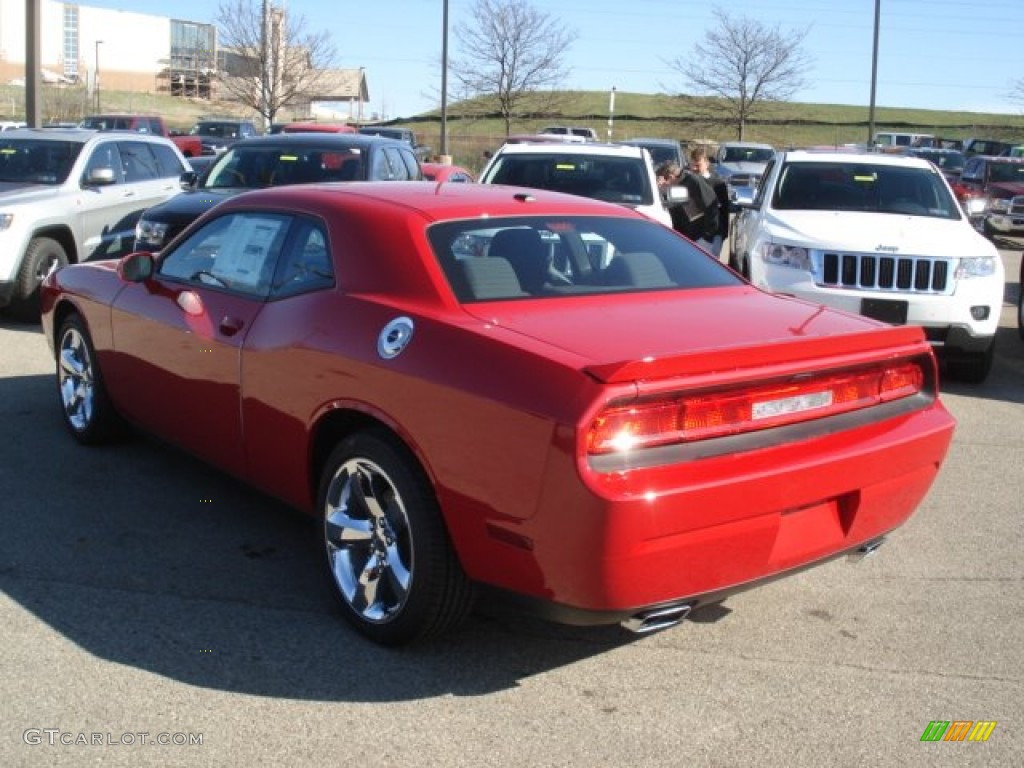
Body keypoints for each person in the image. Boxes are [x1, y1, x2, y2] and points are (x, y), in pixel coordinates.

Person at [684, 145, 728, 258]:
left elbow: (723, 211)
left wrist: (721, 235)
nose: (694, 168)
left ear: (707, 164)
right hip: (692, 233)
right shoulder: (688, 181)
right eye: (692, 165)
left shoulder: (718, 184)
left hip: (712, 236)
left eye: (698, 165)